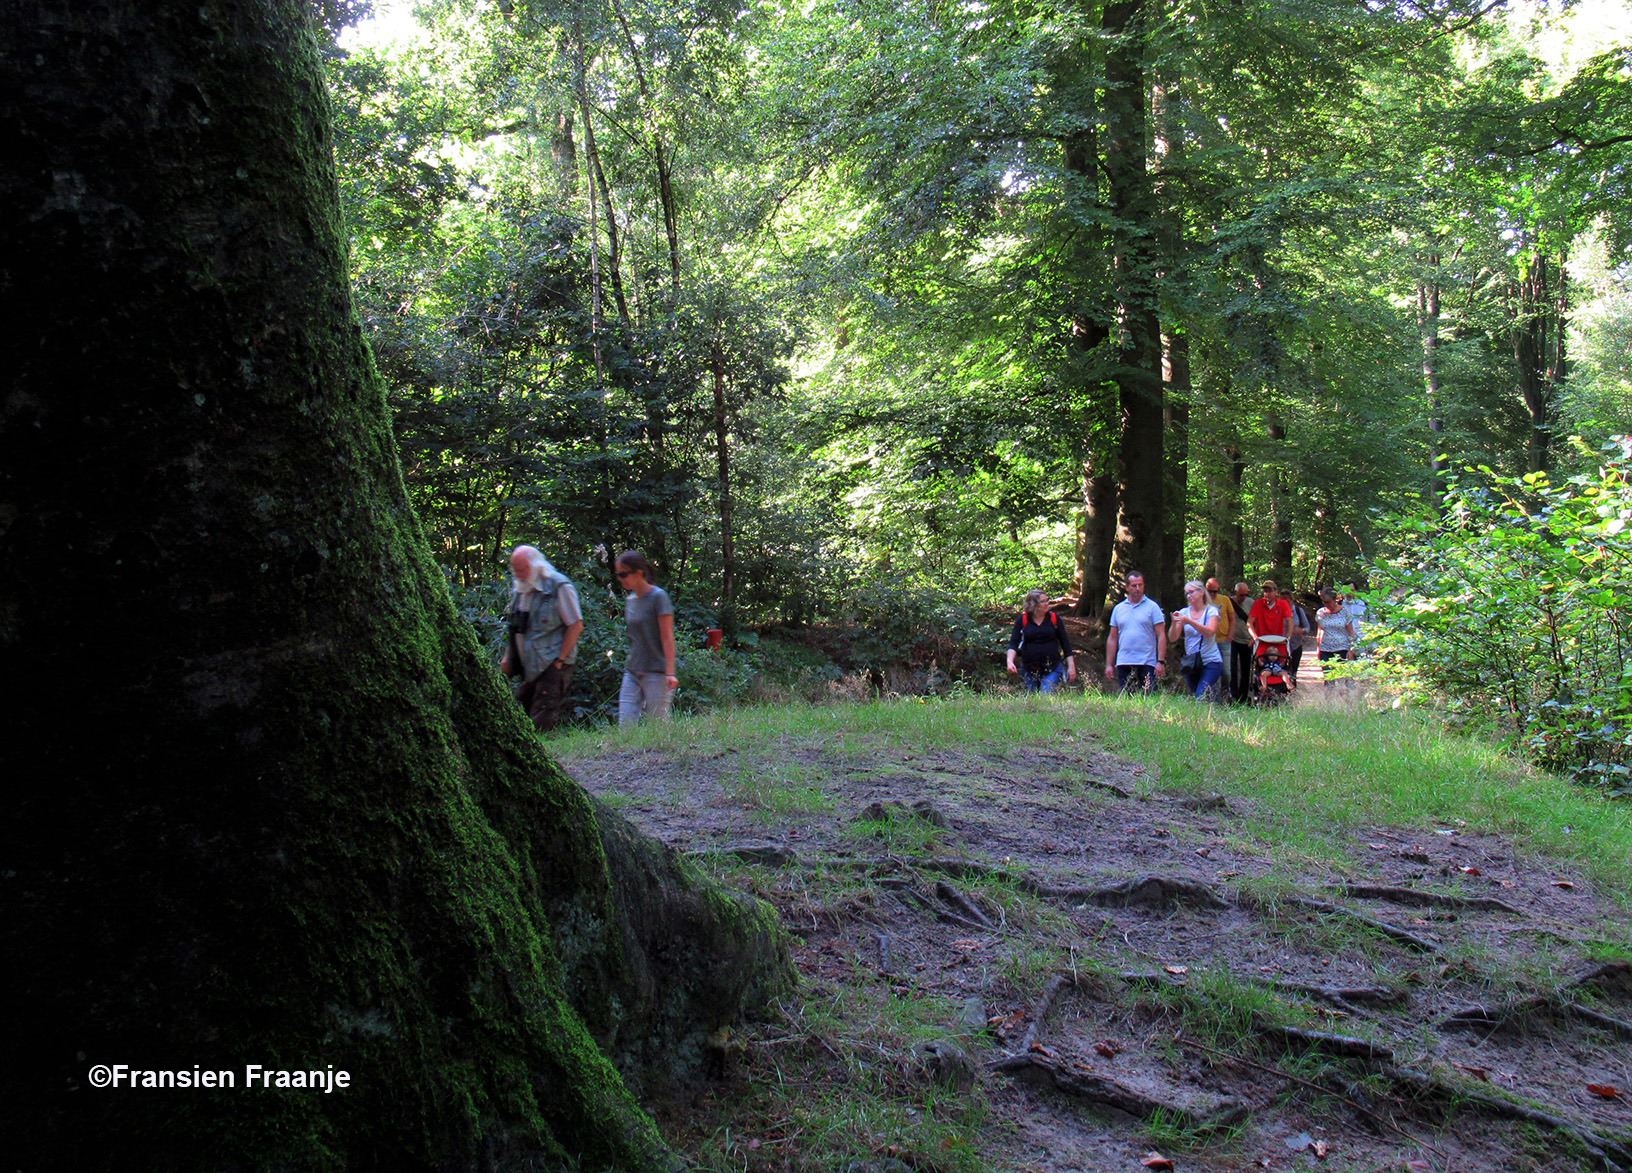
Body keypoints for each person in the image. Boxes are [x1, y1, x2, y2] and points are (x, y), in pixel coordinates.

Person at [499, 545, 583, 732]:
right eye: (515, 570)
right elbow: (516, 629)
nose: (518, 574)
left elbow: (576, 625)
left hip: (553, 662)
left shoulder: (559, 586)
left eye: (522, 569)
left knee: (542, 717)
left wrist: (559, 661)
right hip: (530, 665)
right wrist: (508, 657)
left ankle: (547, 754)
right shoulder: (520, 589)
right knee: (520, 710)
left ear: (536, 566)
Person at [616, 550, 677, 726]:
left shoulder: (658, 597)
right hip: (633, 670)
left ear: (639, 573)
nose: (620, 578)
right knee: (625, 724)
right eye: (617, 574)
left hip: (656, 672)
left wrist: (670, 672)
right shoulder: (630, 600)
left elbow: (667, 637)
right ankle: (625, 754)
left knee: (658, 725)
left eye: (623, 574)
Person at [1104, 570, 1167, 693]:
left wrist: (1160, 661)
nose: (1137, 588)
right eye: (1134, 585)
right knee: (1127, 700)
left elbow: (1161, 635)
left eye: (1140, 585)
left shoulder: (1152, 607)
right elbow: (1112, 638)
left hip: (1147, 662)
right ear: (1126, 587)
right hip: (1124, 661)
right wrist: (1109, 664)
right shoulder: (1118, 609)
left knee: (1148, 699)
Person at [1007, 589, 1077, 693]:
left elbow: (1065, 644)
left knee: (1046, 696)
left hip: (1052, 668)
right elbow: (1013, 643)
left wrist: (1071, 667)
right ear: (1033, 605)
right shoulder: (1023, 619)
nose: (1047, 603)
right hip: (1029, 669)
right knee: (1031, 700)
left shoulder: (1054, 619)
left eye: (1047, 600)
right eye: (1043, 601)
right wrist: (1010, 661)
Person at [1170, 580, 1223, 700]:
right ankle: (1209, 715)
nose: (1189, 596)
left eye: (1191, 592)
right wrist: (1174, 623)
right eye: (1187, 593)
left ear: (1201, 592)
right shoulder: (1184, 612)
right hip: (1192, 663)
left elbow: (1210, 631)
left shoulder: (1211, 611)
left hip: (1210, 661)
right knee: (1195, 697)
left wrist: (1189, 621)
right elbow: (1173, 638)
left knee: (1201, 696)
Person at [1246, 579, 1293, 697]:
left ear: (1275, 592)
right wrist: (1255, 637)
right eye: (1265, 591)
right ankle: (1261, 688)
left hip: (1278, 641)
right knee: (1258, 665)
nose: (1267, 594)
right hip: (1262, 642)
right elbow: (1250, 622)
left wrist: (1288, 636)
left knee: (1285, 663)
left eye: (1269, 591)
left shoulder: (1282, 604)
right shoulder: (1258, 603)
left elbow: (1289, 621)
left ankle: (1287, 686)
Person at [1314, 588, 1357, 684]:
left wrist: (1351, 650)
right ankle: (1329, 698)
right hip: (1325, 650)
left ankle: (1345, 698)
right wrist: (1318, 650)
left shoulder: (1345, 612)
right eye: (1324, 602)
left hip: (1342, 649)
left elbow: (1351, 633)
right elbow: (1320, 631)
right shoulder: (1320, 613)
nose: (1326, 605)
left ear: (1335, 600)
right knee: (1328, 680)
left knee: (1342, 678)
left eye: (1328, 602)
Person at [1228, 581, 1254, 703]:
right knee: (1232, 668)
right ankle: (1233, 695)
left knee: (1246, 669)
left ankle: (1243, 697)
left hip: (1247, 640)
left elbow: (1255, 621)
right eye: (1240, 595)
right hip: (1232, 639)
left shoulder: (1251, 602)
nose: (1243, 598)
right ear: (1235, 593)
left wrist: (1254, 637)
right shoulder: (1229, 602)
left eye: (1245, 595)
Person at [1207, 577, 1234, 697]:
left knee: (1226, 672)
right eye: (1210, 591)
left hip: (1224, 640)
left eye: (1215, 591)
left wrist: (1230, 635)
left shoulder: (1225, 600)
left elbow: (1232, 619)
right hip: (1209, 642)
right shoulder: (1202, 601)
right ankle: (1214, 698)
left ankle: (1225, 691)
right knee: (1213, 672)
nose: (1212, 594)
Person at [1285, 592, 1312, 683]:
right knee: (1282, 670)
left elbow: (1307, 627)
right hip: (1281, 646)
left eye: (1287, 600)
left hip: (1296, 645)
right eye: (1282, 600)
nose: (1284, 602)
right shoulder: (1277, 611)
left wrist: (1301, 631)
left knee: (1293, 672)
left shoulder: (1298, 611)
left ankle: (1293, 692)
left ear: (1291, 600)